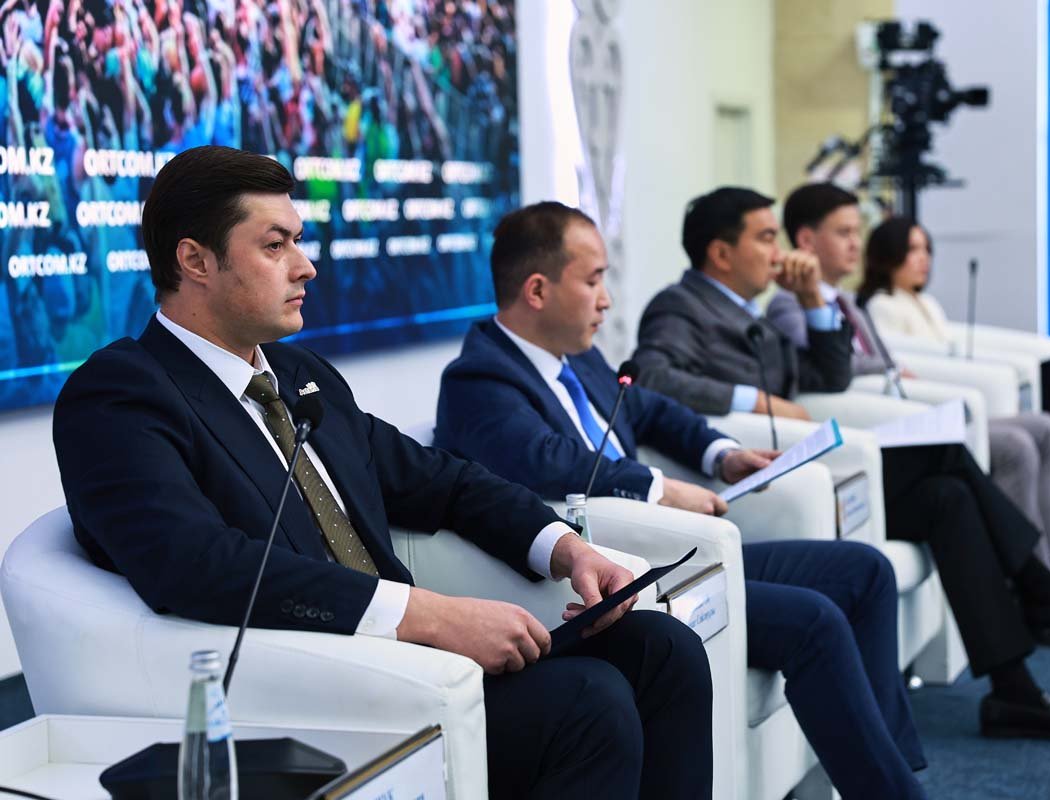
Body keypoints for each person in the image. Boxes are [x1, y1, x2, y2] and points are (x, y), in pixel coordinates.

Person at [52, 146, 714, 800]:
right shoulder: (120, 394)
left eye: (298, 241)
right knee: (588, 702)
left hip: (423, 664)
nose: (306, 266)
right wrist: (428, 616)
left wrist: (567, 549)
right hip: (320, 688)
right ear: (195, 261)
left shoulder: (300, 374)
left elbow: (443, 481)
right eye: (275, 246)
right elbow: (193, 563)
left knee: (663, 650)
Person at [435, 201, 928, 799]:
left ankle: (896, 770)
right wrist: (660, 488)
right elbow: (545, 458)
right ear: (537, 290)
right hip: (623, 574)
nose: (607, 301)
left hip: (679, 554)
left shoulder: (580, 357)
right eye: (594, 281)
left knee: (863, 572)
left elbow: (651, 409)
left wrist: (721, 454)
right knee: (815, 619)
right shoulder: (478, 379)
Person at [633, 186, 1050, 742]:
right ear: (720, 253)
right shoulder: (679, 306)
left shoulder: (755, 309)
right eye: (765, 238)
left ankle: (1014, 690)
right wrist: (753, 401)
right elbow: (650, 375)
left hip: (813, 467)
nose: (778, 252)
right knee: (944, 453)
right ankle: (1040, 585)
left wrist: (813, 302)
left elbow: (830, 377)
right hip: (762, 480)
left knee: (948, 497)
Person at [768, 184, 1050, 589]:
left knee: (1046, 427)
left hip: (900, 405)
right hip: (874, 424)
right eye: (844, 233)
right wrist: (887, 369)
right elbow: (835, 371)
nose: (856, 244)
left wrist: (890, 369)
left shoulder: (847, 301)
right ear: (806, 240)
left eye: (857, 232)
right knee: (1013, 446)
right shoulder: (788, 305)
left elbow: (881, 360)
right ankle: (1035, 578)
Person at [858, 217, 1050, 566]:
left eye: (927, 249)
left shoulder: (923, 303)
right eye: (912, 250)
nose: (924, 259)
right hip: (952, 397)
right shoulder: (882, 306)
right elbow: (911, 364)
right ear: (888, 255)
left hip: (967, 384)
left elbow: (947, 349)